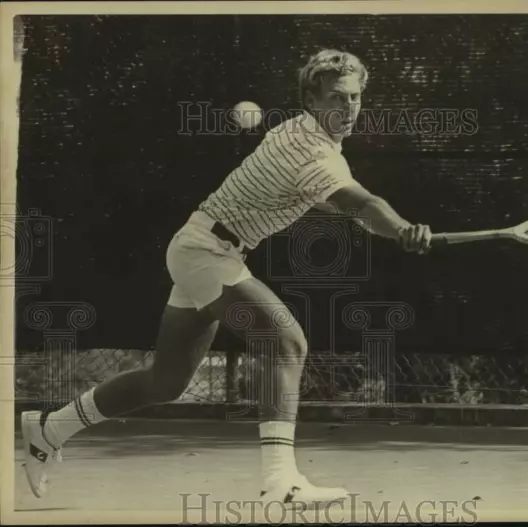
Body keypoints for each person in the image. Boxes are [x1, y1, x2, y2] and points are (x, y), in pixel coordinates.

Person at [21, 48, 432, 507]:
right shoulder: (309, 149)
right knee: (285, 341)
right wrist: (400, 229)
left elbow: (347, 206)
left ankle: (48, 427)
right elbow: (363, 204)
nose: (349, 107)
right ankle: (282, 479)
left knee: (165, 382)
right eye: (337, 97)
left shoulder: (312, 142)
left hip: (206, 248)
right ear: (311, 101)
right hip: (206, 252)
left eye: (356, 97)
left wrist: (394, 228)